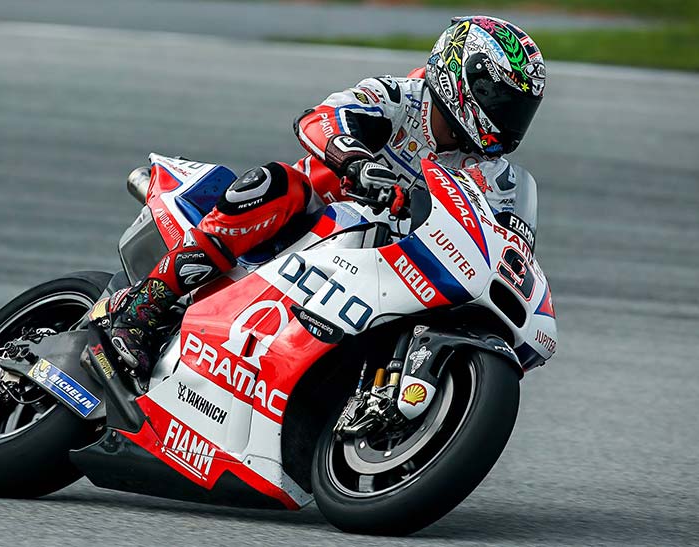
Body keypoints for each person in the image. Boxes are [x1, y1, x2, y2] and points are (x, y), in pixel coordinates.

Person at [107, 15, 547, 387]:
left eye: (519, 109)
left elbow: (507, 246)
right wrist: (357, 164)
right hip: (314, 223)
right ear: (459, 77)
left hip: (399, 261)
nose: (508, 119)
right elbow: (319, 120)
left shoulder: (497, 176)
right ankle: (143, 308)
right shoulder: (398, 98)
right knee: (277, 183)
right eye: (500, 100)